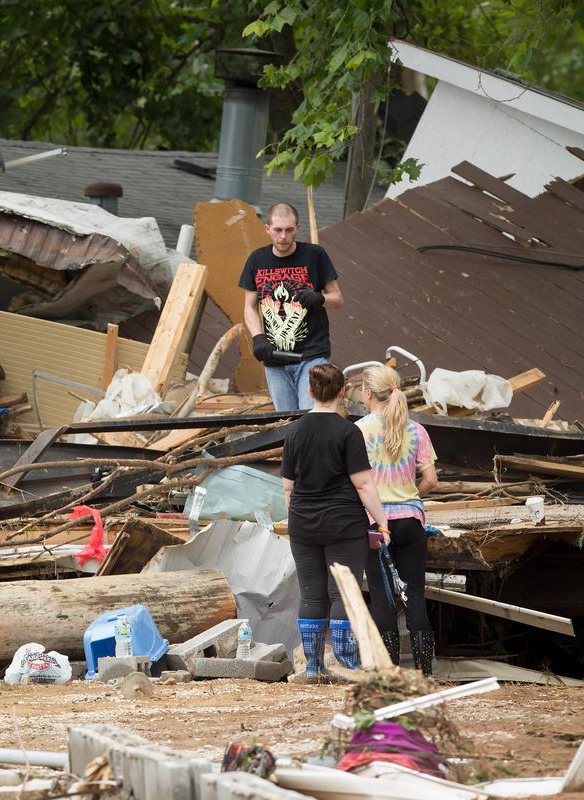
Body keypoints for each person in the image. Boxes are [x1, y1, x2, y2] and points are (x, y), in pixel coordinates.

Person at [280, 363, 390, 678]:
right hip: (344, 525)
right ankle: (347, 664)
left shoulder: (295, 431)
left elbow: (288, 487)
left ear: (310, 391)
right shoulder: (348, 432)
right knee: (342, 592)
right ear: (343, 392)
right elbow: (364, 484)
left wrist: (299, 518)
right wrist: (382, 523)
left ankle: (314, 666)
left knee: (312, 593)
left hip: (303, 525)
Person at [357, 364, 439, 676]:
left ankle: (389, 672)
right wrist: (410, 496)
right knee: (415, 594)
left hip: (376, 523)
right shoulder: (416, 429)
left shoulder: (360, 430)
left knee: (381, 594)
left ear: (367, 393)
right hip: (410, 520)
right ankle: (424, 673)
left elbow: (355, 481)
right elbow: (431, 479)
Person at [239, 202, 344, 411]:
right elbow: (249, 307)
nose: (283, 236)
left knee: (310, 418)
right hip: (274, 359)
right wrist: (258, 337)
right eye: (278, 230)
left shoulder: (314, 255)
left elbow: (338, 299)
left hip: (311, 356)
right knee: (285, 425)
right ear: (267, 229)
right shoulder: (256, 260)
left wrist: (319, 298)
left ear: (298, 228)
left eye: (289, 230)